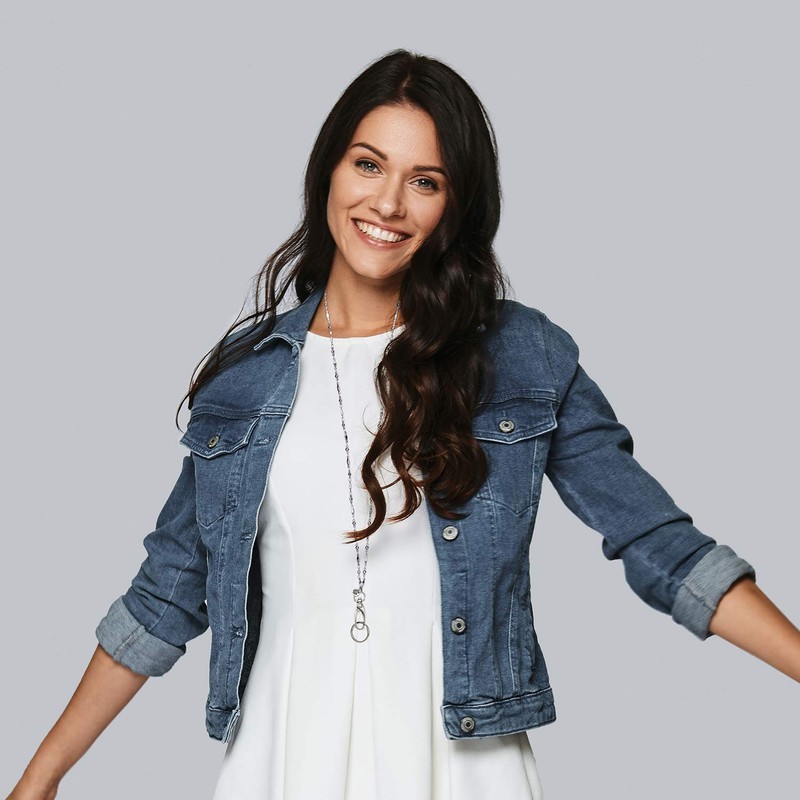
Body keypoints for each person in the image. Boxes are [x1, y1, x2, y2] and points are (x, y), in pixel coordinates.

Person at [7, 48, 800, 800]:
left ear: (457, 203)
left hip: (462, 763)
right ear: (328, 170)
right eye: (368, 165)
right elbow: (165, 594)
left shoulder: (519, 357)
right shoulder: (246, 381)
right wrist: (41, 777)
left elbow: (662, 546)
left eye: (425, 181)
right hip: (285, 755)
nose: (387, 203)